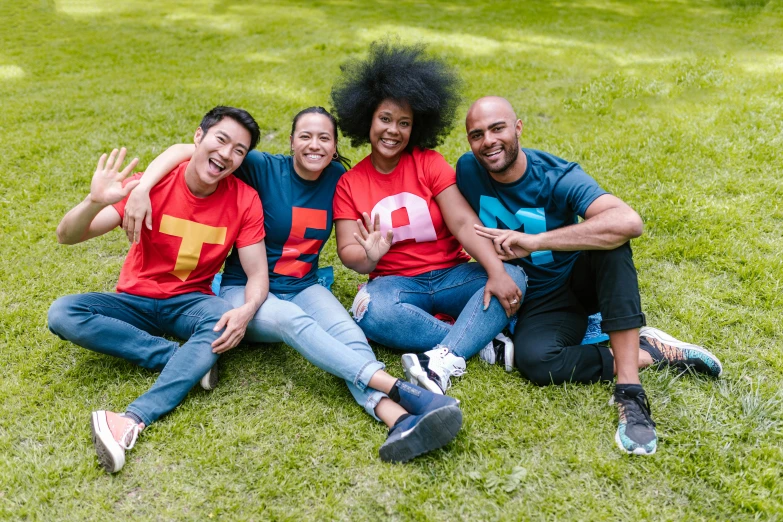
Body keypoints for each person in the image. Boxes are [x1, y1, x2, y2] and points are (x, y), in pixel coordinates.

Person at [120, 106, 463, 463]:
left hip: (304, 285)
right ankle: (403, 390)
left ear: (334, 147)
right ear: (291, 141)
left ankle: (399, 419)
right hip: (246, 289)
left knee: (349, 336)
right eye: (305, 136)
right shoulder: (261, 167)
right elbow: (187, 151)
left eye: (324, 138)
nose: (314, 145)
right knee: (291, 322)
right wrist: (143, 187)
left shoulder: (337, 178)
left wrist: (373, 253)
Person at [457, 96, 724, 455]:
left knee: (613, 243)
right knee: (535, 362)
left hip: (578, 282)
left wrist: (536, 241)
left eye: (497, 128)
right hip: (540, 303)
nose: (488, 140)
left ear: (518, 128)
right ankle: (648, 351)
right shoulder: (467, 171)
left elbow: (629, 221)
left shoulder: (557, 176)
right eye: (477, 134)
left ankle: (630, 393)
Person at [47, 106, 269, 473]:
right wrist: (93, 201)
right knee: (63, 312)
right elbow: (67, 236)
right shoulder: (146, 187)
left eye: (239, 150)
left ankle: (131, 419)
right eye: (221, 139)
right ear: (198, 137)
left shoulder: (244, 200)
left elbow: (257, 274)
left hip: (190, 302)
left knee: (220, 320)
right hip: (134, 299)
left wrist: (246, 311)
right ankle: (176, 358)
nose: (226, 155)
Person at [330, 42, 527, 396]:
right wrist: (370, 256)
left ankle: (446, 354)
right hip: (396, 284)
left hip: (452, 275)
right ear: (366, 119)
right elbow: (348, 252)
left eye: (404, 123)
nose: (393, 131)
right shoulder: (350, 183)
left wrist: (496, 273)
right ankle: (480, 341)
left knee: (513, 274)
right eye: (385, 119)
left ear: (415, 127)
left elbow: (463, 224)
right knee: (369, 311)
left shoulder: (428, 162)